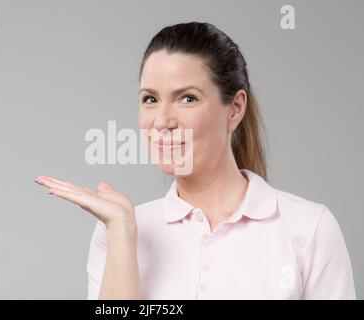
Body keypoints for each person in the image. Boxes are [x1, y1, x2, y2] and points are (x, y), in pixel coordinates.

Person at [35, 22, 356, 299]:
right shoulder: (120, 231)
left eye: (187, 98)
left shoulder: (309, 229)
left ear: (235, 108)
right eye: (150, 99)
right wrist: (121, 232)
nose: (162, 120)